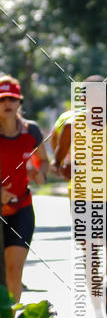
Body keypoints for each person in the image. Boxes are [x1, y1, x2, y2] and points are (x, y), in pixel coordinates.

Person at [53, 77, 107, 318]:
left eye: (104, 97)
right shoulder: (71, 126)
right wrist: (62, 168)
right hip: (82, 200)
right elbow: (57, 162)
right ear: (84, 100)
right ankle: (98, 312)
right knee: (90, 256)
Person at [0, 76, 49, 302]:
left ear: (19, 102)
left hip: (22, 209)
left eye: (11, 99)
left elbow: (43, 160)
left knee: (13, 271)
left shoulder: (32, 131)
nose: (7, 103)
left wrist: (40, 172)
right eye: (2, 99)